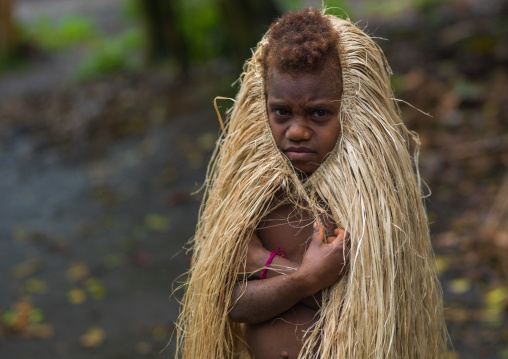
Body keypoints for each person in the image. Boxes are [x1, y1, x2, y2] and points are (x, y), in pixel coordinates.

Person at [176, 8, 449, 359]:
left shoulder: (370, 198)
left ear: (350, 107)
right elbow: (232, 304)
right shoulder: (253, 197)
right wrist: (306, 278)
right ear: (263, 106)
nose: (298, 131)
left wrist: (263, 261)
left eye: (319, 113)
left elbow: (372, 302)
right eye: (282, 113)